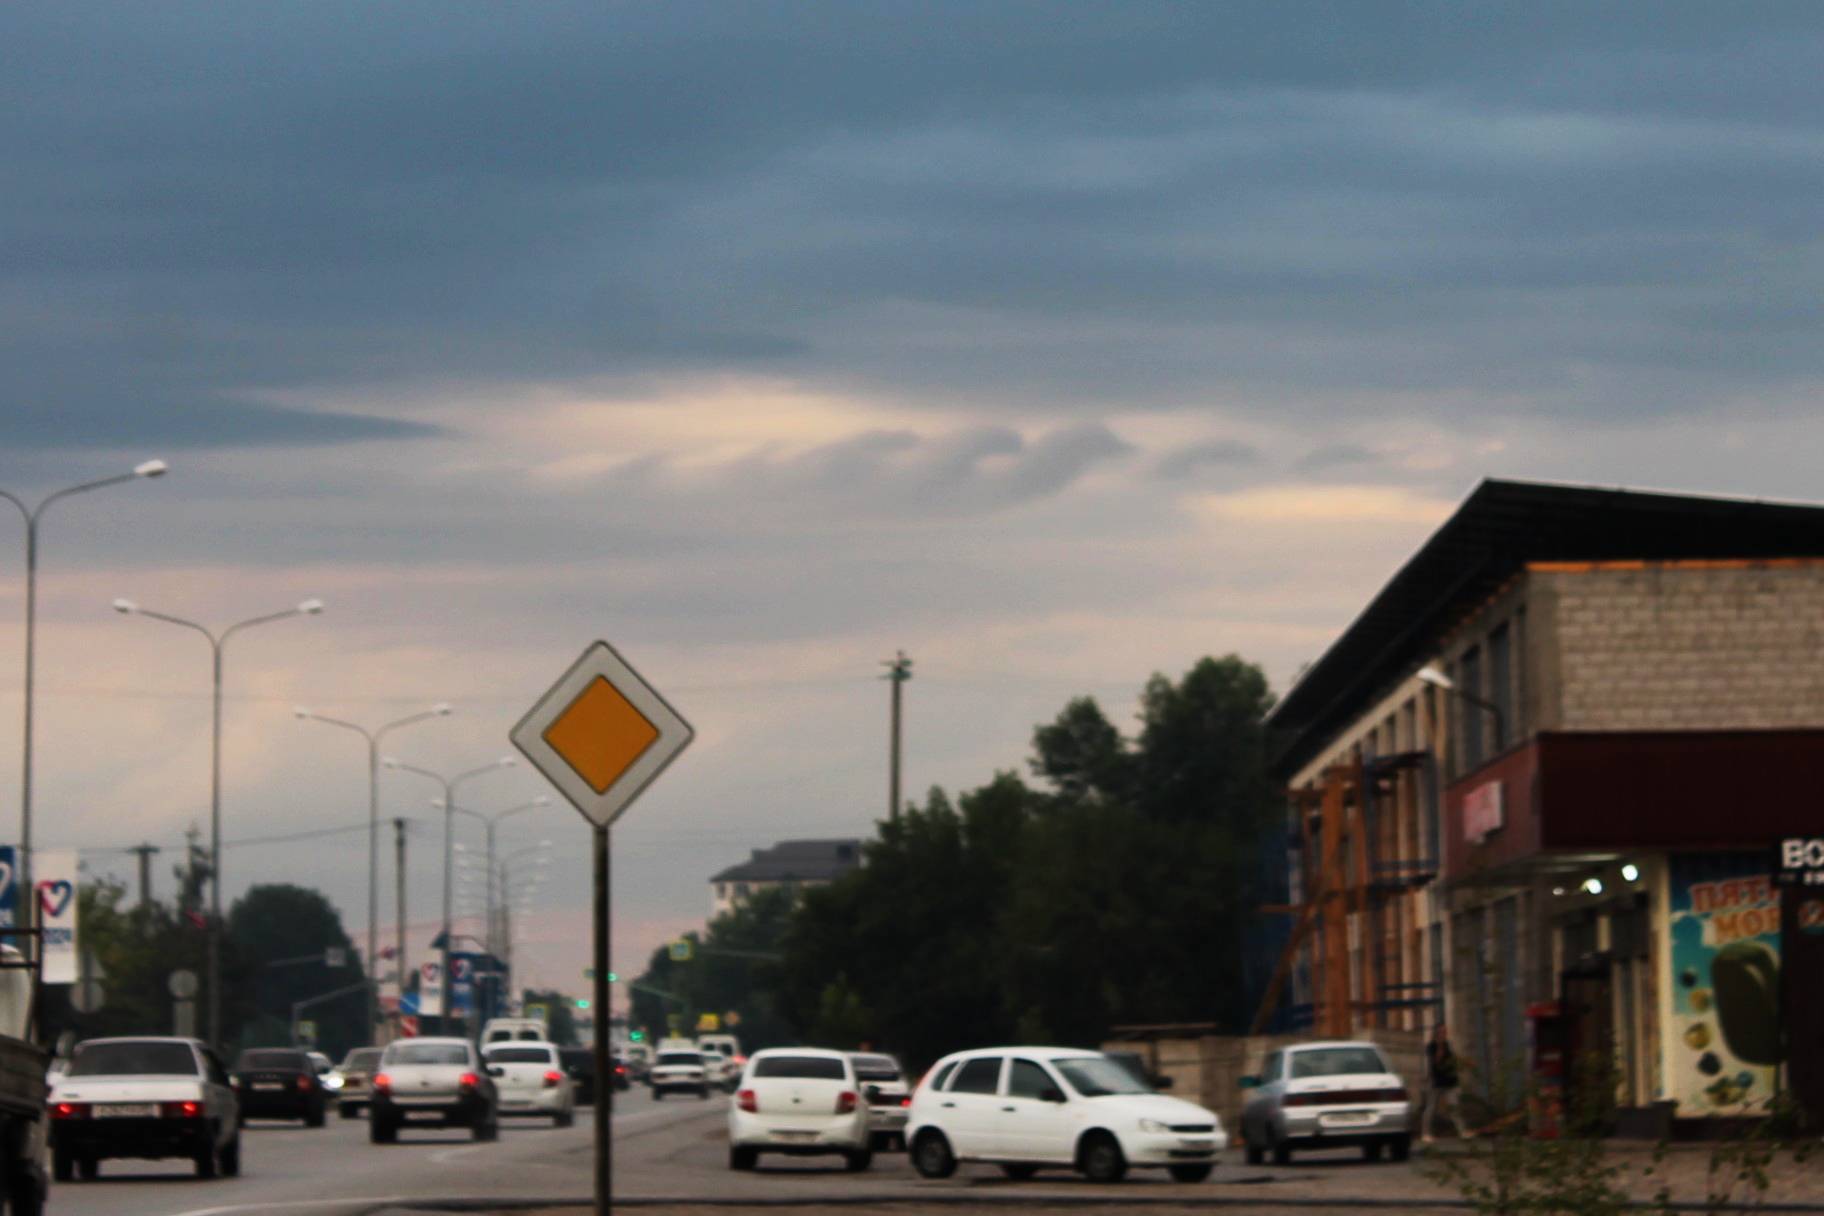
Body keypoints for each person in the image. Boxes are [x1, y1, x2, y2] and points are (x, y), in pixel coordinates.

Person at [1420, 1022, 1461, 1144]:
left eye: (1445, 1031)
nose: (1444, 1034)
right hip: (1436, 1081)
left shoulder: (1448, 1045)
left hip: (1449, 1081)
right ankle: (1425, 1133)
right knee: (1430, 1108)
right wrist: (1439, 1045)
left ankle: (1462, 1131)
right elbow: (1435, 1061)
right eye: (1442, 1031)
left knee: (1454, 1106)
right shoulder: (1432, 1046)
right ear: (1437, 1033)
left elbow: (1452, 1061)